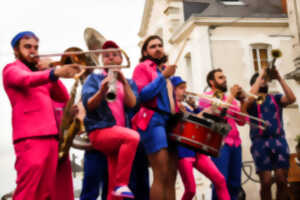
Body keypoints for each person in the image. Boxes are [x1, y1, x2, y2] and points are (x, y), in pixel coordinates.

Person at [2, 31, 81, 200]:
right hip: (30, 138)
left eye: (36, 47)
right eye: (27, 47)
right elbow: (25, 80)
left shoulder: (42, 76)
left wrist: (51, 71)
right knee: (29, 191)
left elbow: (63, 97)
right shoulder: (11, 69)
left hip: (52, 137)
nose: (33, 51)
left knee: (46, 192)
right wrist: (54, 73)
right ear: (16, 51)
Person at [80, 40, 149, 200]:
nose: (110, 58)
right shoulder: (94, 79)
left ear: (121, 60)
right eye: (106, 56)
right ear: (103, 61)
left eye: (115, 55)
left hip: (119, 140)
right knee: (133, 137)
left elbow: (133, 105)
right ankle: (121, 184)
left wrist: (123, 82)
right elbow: (88, 105)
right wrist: (101, 90)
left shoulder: (129, 82)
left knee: (113, 193)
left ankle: (117, 187)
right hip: (101, 131)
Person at [131, 35, 177, 200]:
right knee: (161, 173)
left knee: (171, 176)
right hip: (152, 119)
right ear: (145, 51)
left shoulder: (163, 69)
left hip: (169, 122)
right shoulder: (142, 68)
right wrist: (163, 77)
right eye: (152, 46)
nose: (157, 48)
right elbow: (142, 95)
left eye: (160, 45)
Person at [170, 76, 230, 200]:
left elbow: (198, 118)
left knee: (220, 180)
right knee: (191, 190)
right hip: (183, 152)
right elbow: (189, 122)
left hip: (197, 150)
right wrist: (204, 111)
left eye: (185, 88)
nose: (185, 91)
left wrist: (196, 107)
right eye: (181, 88)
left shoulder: (185, 106)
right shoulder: (172, 106)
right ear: (172, 90)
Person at [243, 68, 296, 200]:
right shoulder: (250, 101)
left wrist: (279, 78)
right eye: (260, 80)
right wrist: (260, 76)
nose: (264, 81)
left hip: (279, 140)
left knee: (282, 180)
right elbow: (247, 101)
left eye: (265, 80)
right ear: (254, 84)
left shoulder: (276, 98)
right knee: (265, 182)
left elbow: (292, 99)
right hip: (260, 143)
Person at [198, 68, 246, 200]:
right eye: (220, 77)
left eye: (224, 77)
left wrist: (243, 101)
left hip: (236, 144)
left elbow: (242, 121)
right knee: (221, 182)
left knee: (235, 184)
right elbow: (219, 114)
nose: (224, 79)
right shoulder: (206, 97)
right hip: (219, 144)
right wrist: (232, 97)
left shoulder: (230, 99)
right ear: (211, 82)